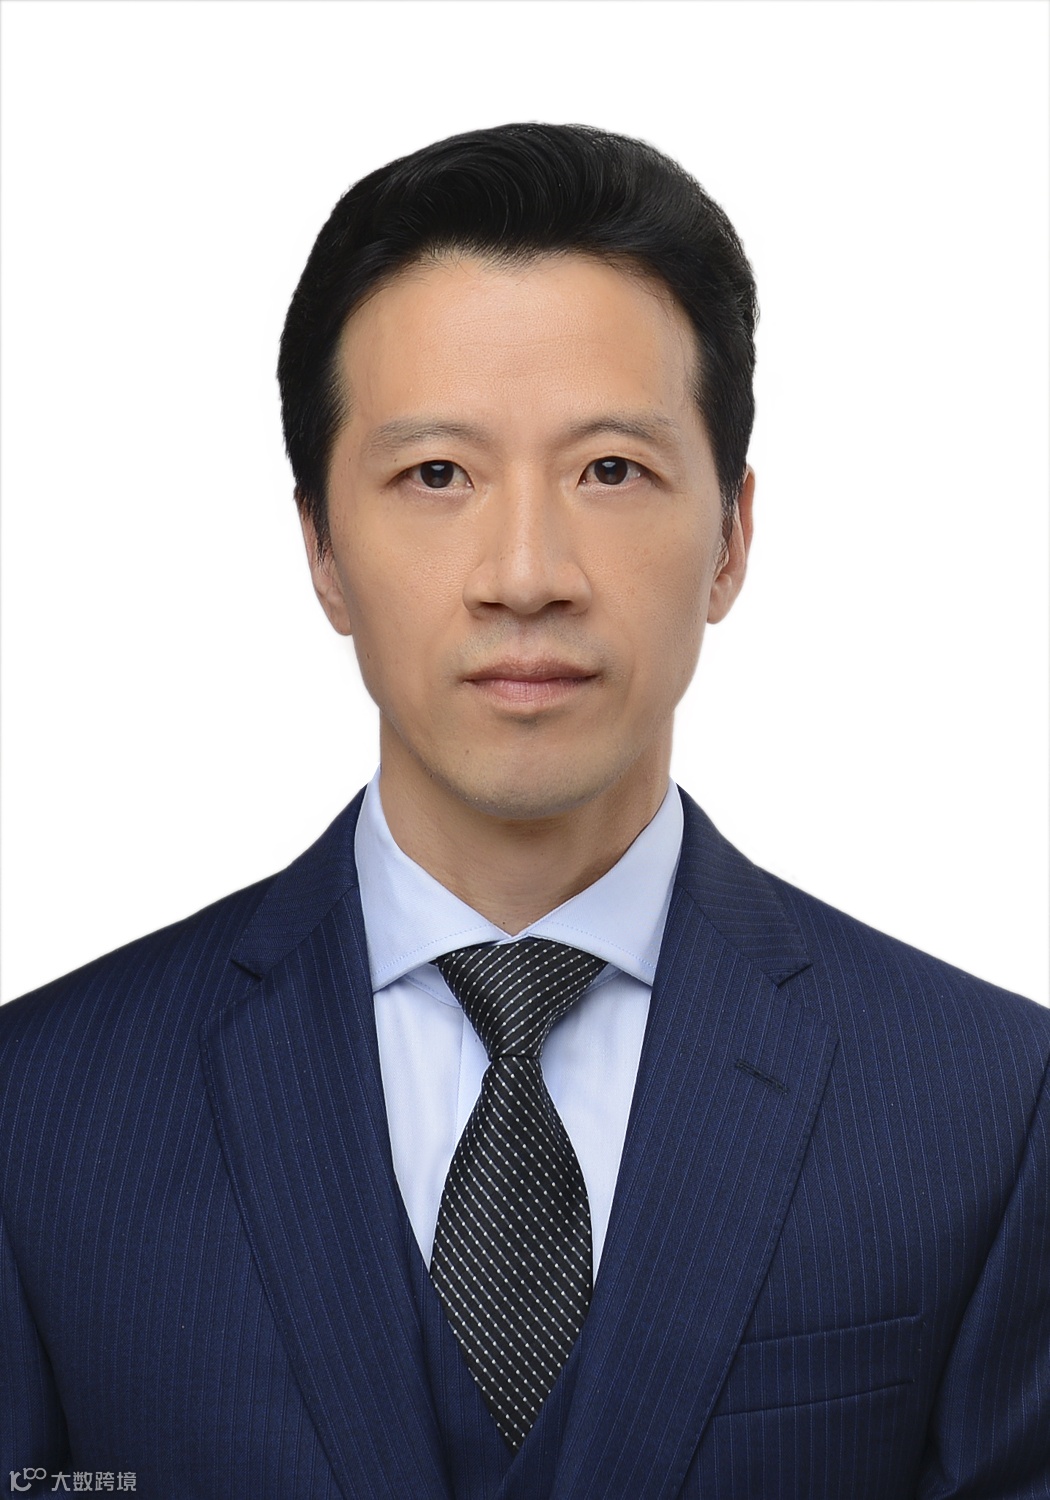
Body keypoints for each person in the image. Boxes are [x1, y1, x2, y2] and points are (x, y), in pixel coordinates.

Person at [1, 122, 1047, 1500]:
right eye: (436, 475)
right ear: (321, 548)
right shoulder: (39, 1112)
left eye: (610, 470)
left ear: (730, 537)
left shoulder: (989, 1105)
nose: (525, 572)